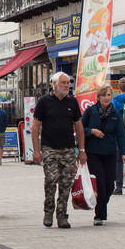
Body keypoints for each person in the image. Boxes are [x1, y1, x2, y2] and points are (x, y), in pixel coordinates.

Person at [30, 71, 86, 229]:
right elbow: (35, 128)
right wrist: (36, 151)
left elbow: (79, 128)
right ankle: (48, 211)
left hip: (68, 149)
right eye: (63, 83)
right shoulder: (44, 102)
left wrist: (81, 150)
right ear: (54, 85)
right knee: (51, 180)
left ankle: (62, 215)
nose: (67, 86)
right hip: (49, 148)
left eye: (68, 83)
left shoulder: (72, 102)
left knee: (66, 183)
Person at [81, 85, 125, 226]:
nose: (107, 98)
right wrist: (92, 131)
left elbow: (121, 135)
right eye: (104, 95)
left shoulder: (115, 114)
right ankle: (99, 215)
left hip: (110, 153)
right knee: (101, 184)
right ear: (98, 97)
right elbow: (80, 129)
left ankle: (101, 204)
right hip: (94, 153)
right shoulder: (90, 111)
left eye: (109, 95)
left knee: (109, 185)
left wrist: (124, 153)